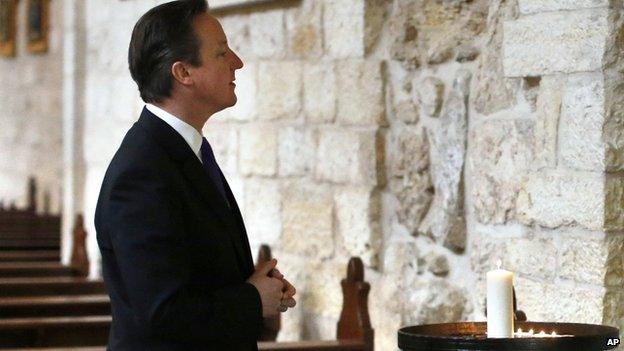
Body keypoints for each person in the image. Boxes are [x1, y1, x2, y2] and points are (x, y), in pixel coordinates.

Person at [94, 1, 296, 349]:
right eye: (221, 53)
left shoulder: (184, 150)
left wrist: (258, 287)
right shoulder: (141, 174)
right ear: (183, 73)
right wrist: (251, 300)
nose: (237, 62)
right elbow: (163, 314)